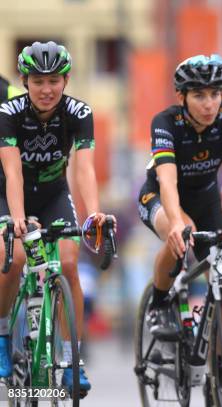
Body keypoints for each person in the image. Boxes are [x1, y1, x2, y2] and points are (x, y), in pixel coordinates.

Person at [0, 41, 112, 395]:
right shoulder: (9, 112)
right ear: (24, 81)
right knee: (16, 257)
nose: (46, 90)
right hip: (8, 193)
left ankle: (70, 358)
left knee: (68, 263)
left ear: (65, 80)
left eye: (54, 81)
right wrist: (17, 220)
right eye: (37, 81)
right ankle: (2, 336)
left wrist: (93, 212)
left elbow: (83, 169)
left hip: (53, 195)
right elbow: (13, 172)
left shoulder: (79, 113)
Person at [136, 54, 222, 351]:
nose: (209, 104)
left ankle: (219, 367)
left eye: (214, 94)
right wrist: (176, 221)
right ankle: (158, 304)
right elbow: (167, 181)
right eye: (199, 95)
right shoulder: (166, 122)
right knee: (180, 232)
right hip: (159, 194)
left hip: (206, 200)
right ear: (182, 96)